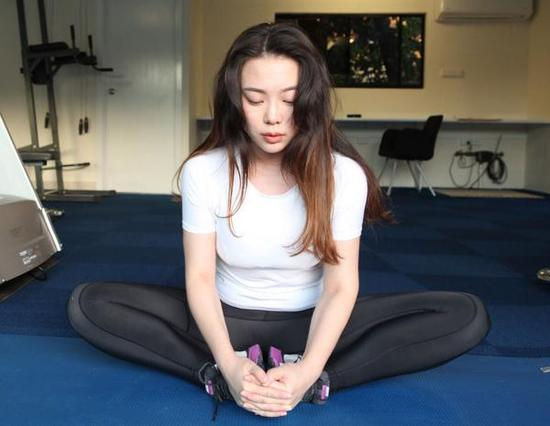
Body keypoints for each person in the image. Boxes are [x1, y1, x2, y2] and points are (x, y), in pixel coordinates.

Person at [67, 22, 490, 419]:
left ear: (310, 99)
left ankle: (315, 379)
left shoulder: (343, 175)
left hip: (311, 322)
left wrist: (308, 368)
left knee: (464, 314)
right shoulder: (203, 171)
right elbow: (199, 277)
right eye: (255, 99)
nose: (273, 116)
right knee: (89, 304)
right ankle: (220, 373)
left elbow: (340, 287)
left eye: (289, 100)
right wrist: (228, 361)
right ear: (235, 100)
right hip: (224, 319)